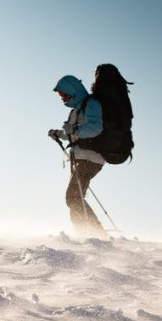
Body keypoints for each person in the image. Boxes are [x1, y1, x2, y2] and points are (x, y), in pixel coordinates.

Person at [48, 74, 107, 238]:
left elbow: (95, 129)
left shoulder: (91, 104)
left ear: (73, 91)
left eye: (64, 94)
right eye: (60, 96)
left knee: (72, 197)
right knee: (74, 198)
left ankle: (98, 234)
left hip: (91, 158)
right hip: (81, 158)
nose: (62, 98)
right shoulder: (78, 109)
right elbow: (76, 134)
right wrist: (59, 134)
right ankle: (82, 235)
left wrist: (72, 130)